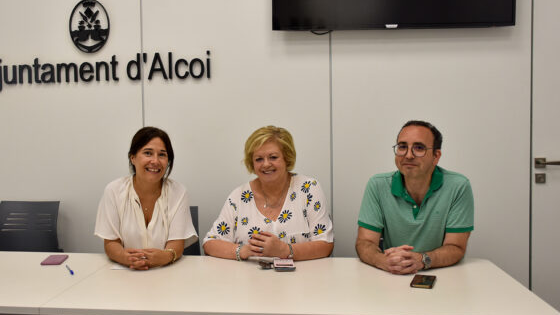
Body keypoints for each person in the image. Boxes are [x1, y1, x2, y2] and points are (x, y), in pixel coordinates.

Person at [356, 120, 474, 274]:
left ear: (436, 156)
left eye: (419, 148)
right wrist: (383, 261)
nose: (409, 155)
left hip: (441, 274)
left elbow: (456, 247)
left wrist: (422, 260)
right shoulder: (377, 185)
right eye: (402, 147)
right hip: (392, 275)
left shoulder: (458, 186)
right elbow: (365, 243)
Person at [203, 126, 333, 261]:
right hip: (248, 274)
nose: (266, 164)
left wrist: (285, 250)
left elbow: (326, 244)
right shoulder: (239, 196)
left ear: (287, 158)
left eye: (273, 157)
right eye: (259, 159)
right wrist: (243, 250)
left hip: (303, 274)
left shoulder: (309, 189)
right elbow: (210, 243)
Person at [95, 127, 197, 270]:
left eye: (162, 155)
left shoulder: (179, 192)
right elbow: (111, 242)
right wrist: (125, 258)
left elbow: (176, 243)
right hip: (126, 272)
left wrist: (166, 256)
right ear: (133, 157)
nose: (155, 161)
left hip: (166, 272)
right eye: (148, 153)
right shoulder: (113, 190)